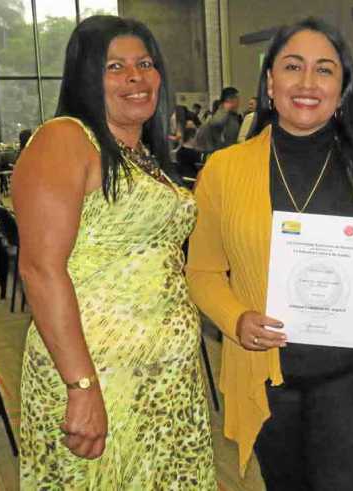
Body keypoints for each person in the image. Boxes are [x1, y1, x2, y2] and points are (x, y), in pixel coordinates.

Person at [187, 17, 353, 490]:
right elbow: (203, 270)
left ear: (342, 88)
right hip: (266, 373)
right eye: (292, 66)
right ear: (270, 81)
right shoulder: (224, 169)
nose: (306, 83)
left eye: (324, 70)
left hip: (349, 378)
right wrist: (235, 319)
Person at [12, 16, 216, 489]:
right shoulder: (65, 138)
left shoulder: (146, 154)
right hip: (98, 375)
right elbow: (41, 269)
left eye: (145, 64)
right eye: (115, 67)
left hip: (165, 380)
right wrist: (81, 385)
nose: (135, 77)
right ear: (86, 76)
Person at [206, 86, 241, 151]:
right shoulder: (223, 112)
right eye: (237, 98)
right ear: (230, 99)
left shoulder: (232, 115)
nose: (239, 101)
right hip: (224, 152)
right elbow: (214, 125)